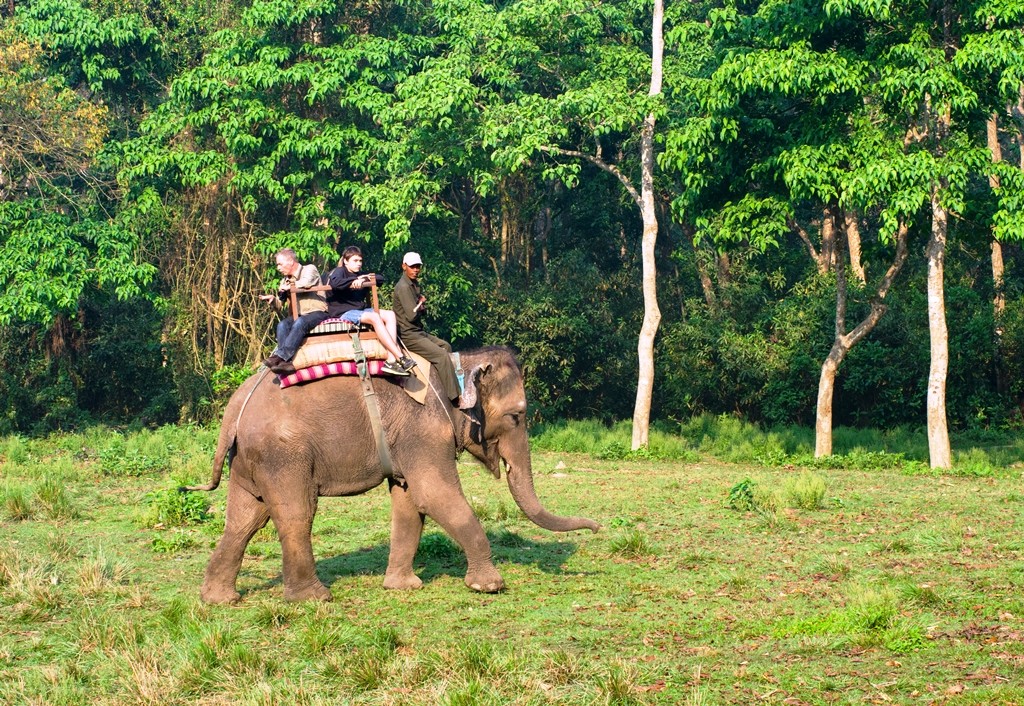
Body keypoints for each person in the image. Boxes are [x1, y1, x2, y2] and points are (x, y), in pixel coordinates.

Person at [327, 246, 416, 377]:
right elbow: (336, 283)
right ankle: (400, 357)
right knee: (375, 317)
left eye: (360, 261)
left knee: (390, 314)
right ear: (346, 261)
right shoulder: (340, 271)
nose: (358, 264)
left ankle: (391, 360)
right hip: (344, 311)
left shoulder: (360, 274)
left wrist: (363, 279)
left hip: (360, 309)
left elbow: (380, 278)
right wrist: (353, 281)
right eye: (355, 260)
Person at [393, 252, 461, 404]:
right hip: (408, 335)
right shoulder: (404, 287)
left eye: (418, 266)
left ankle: (445, 385)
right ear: (404, 266)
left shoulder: (414, 284)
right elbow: (411, 316)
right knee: (442, 356)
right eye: (412, 267)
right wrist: (420, 304)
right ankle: (455, 398)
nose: (415, 270)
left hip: (418, 331)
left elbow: (418, 311)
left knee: (446, 346)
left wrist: (421, 305)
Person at [261, 249, 330, 376]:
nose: (278, 268)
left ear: (291, 261)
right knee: (282, 325)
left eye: (280, 264)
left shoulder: (309, 269)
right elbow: (280, 305)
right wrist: (273, 301)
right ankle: (285, 363)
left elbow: (307, 282)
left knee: (300, 322)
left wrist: (289, 287)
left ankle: (281, 356)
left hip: (317, 312)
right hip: (298, 315)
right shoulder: (284, 281)